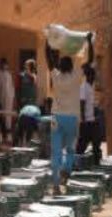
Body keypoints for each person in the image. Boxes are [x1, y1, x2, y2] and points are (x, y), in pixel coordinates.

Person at [49, 55, 83, 193]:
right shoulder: (76, 77)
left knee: (56, 151)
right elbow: (90, 59)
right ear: (71, 67)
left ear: (60, 66)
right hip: (72, 118)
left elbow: (49, 59)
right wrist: (88, 44)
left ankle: (56, 185)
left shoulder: (55, 76)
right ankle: (66, 170)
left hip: (56, 117)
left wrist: (48, 42)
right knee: (70, 149)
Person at [76, 64, 101, 165]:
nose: (94, 77)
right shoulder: (83, 87)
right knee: (82, 144)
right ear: (88, 76)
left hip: (93, 120)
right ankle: (75, 162)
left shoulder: (91, 87)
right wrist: (83, 119)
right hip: (86, 121)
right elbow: (81, 103)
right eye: (93, 75)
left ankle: (96, 163)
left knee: (96, 142)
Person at [0, 58, 17, 144]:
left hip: (9, 98)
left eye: (6, 64)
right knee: (2, 116)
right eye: (3, 64)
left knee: (8, 116)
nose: (5, 66)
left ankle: (9, 136)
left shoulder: (9, 74)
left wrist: (13, 97)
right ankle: (3, 136)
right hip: (1, 98)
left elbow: (12, 86)